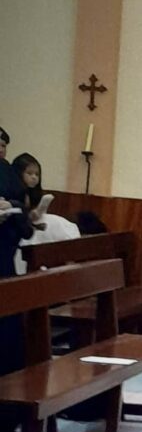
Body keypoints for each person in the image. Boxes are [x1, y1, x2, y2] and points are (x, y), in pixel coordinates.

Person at [10, 153, 79, 275]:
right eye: (29, 173)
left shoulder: (34, 193)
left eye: (37, 174)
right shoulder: (15, 192)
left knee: (57, 225)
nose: (34, 177)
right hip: (20, 231)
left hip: (35, 225)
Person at [0, 128, 32, 376]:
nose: (1, 149)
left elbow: (21, 200)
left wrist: (11, 205)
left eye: (4, 145)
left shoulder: (7, 170)